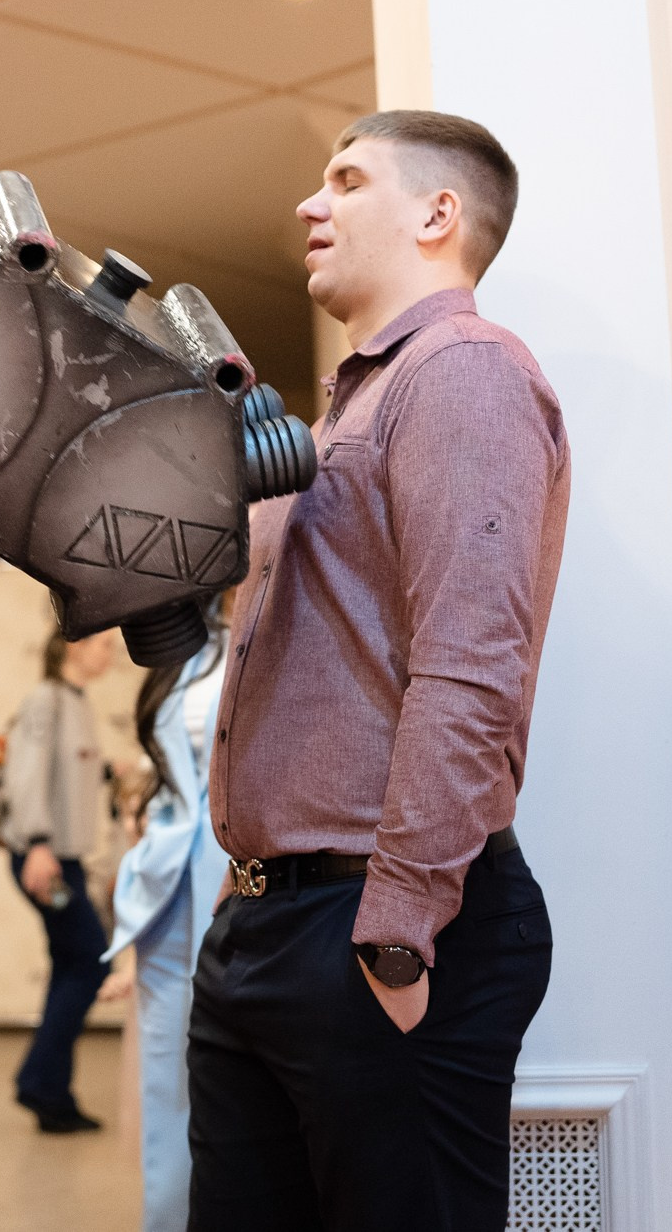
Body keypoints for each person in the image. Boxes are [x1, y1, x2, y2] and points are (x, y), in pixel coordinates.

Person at [188, 111, 569, 1230]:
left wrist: (398, 928)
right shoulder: (348, 399)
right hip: (269, 921)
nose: (310, 205)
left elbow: (468, 670)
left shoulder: (460, 374)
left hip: (380, 924)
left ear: (435, 215)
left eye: (344, 180)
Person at [103, 603, 227, 1232]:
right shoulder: (183, 635)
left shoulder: (287, 617)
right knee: (168, 1088)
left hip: (244, 881)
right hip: (169, 888)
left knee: (235, 1091)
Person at [0, 627, 120, 1132]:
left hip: (60, 860)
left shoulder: (75, 703)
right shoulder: (45, 700)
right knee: (90, 961)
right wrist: (40, 844)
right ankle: (38, 1081)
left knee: (70, 964)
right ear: (73, 645)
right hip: (44, 858)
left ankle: (54, 1097)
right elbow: (25, 774)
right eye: (102, 644)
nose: (110, 653)